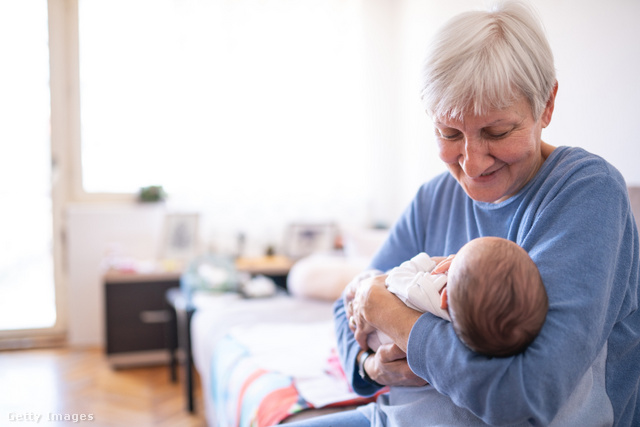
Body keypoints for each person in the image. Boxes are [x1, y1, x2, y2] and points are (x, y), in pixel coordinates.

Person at [285, 1, 640, 426]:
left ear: (546, 105)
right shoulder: (434, 197)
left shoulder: (587, 192)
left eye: (497, 132)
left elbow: (525, 396)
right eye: (449, 133)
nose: (471, 165)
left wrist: (391, 315)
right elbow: (348, 311)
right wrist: (371, 367)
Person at [366, 236, 548, 358]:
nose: (450, 258)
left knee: (367, 278)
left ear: (444, 297)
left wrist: (430, 262)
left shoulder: (429, 291)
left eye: (454, 260)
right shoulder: (473, 321)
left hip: (377, 339)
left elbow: (394, 279)